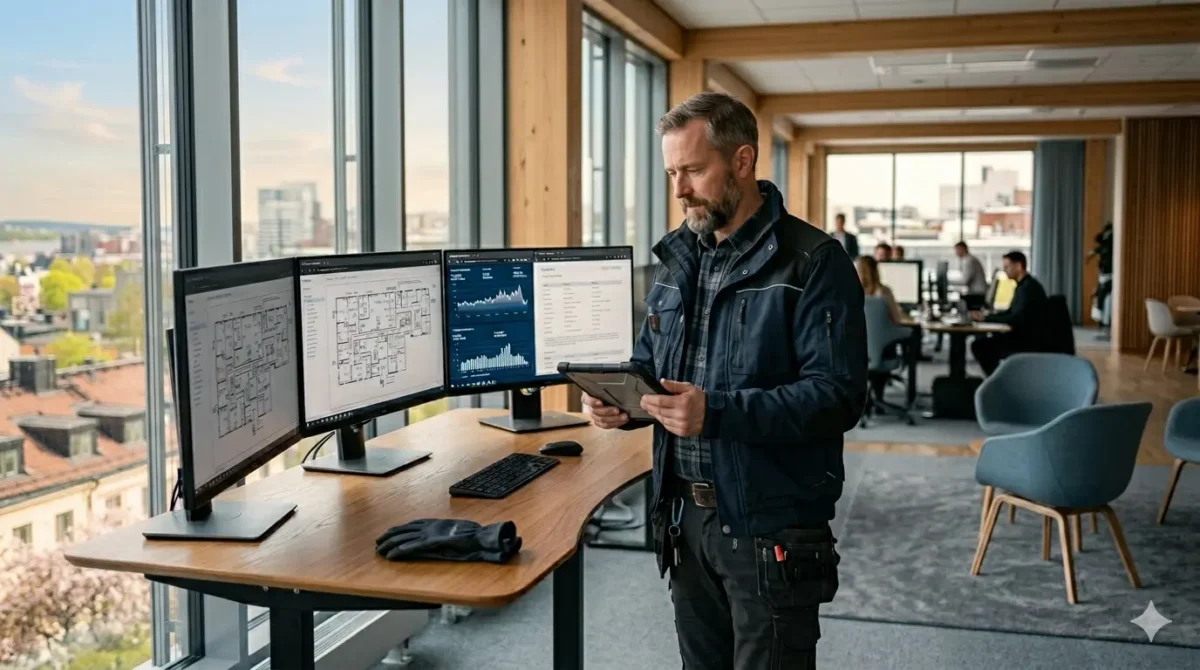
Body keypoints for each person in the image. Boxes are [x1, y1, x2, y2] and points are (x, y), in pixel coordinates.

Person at [580, 91, 867, 670]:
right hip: (685, 521)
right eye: (671, 172)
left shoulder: (814, 262)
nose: (679, 188)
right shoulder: (678, 263)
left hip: (769, 526)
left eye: (692, 170)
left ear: (742, 161)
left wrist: (717, 412)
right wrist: (624, 404)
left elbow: (837, 396)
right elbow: (653, 370)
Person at [970, 250, 1048, 375]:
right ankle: (997, 378)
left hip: (1026, 341)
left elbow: (1013, 318)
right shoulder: (1025, 285)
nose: (1004, 270)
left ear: (1018, 266)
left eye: (1007, 267)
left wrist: (985, 319)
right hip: (1024, 336)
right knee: (983, 341)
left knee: (980, 346)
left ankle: (996, 380)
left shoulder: (1027, 289)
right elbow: (1010, 313)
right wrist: (986, 317)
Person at [855, 256, 906, 324]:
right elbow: (897, 319)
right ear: (876, 270)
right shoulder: (884, 292)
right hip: (885, 333)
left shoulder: (853, 294)